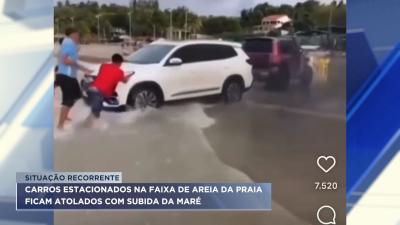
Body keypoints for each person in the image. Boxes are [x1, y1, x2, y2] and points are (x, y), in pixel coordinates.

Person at [56, 28, 92, 130]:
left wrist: (83, 68)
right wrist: (83, 68)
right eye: (77, 35)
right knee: (68, 100)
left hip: (68, 76)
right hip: (66, 76)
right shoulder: (69, 44)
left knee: (76, 96)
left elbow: (68, 60)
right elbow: (66, 61)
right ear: (72, 35)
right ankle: (60, 126)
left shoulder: (68, 44)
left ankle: (65, 116)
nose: (78, 37)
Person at [84, 53, 134, 127]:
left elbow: (102, 74)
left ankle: (85, 126)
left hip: (90, 89)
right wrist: (129, 75)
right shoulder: (120, 72)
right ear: (120, 63)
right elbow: (125, 81)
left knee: (95, 111)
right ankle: (89, 130)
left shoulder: (103, 66)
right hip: (98, 93)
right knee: (96, 112)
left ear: (112, 60)